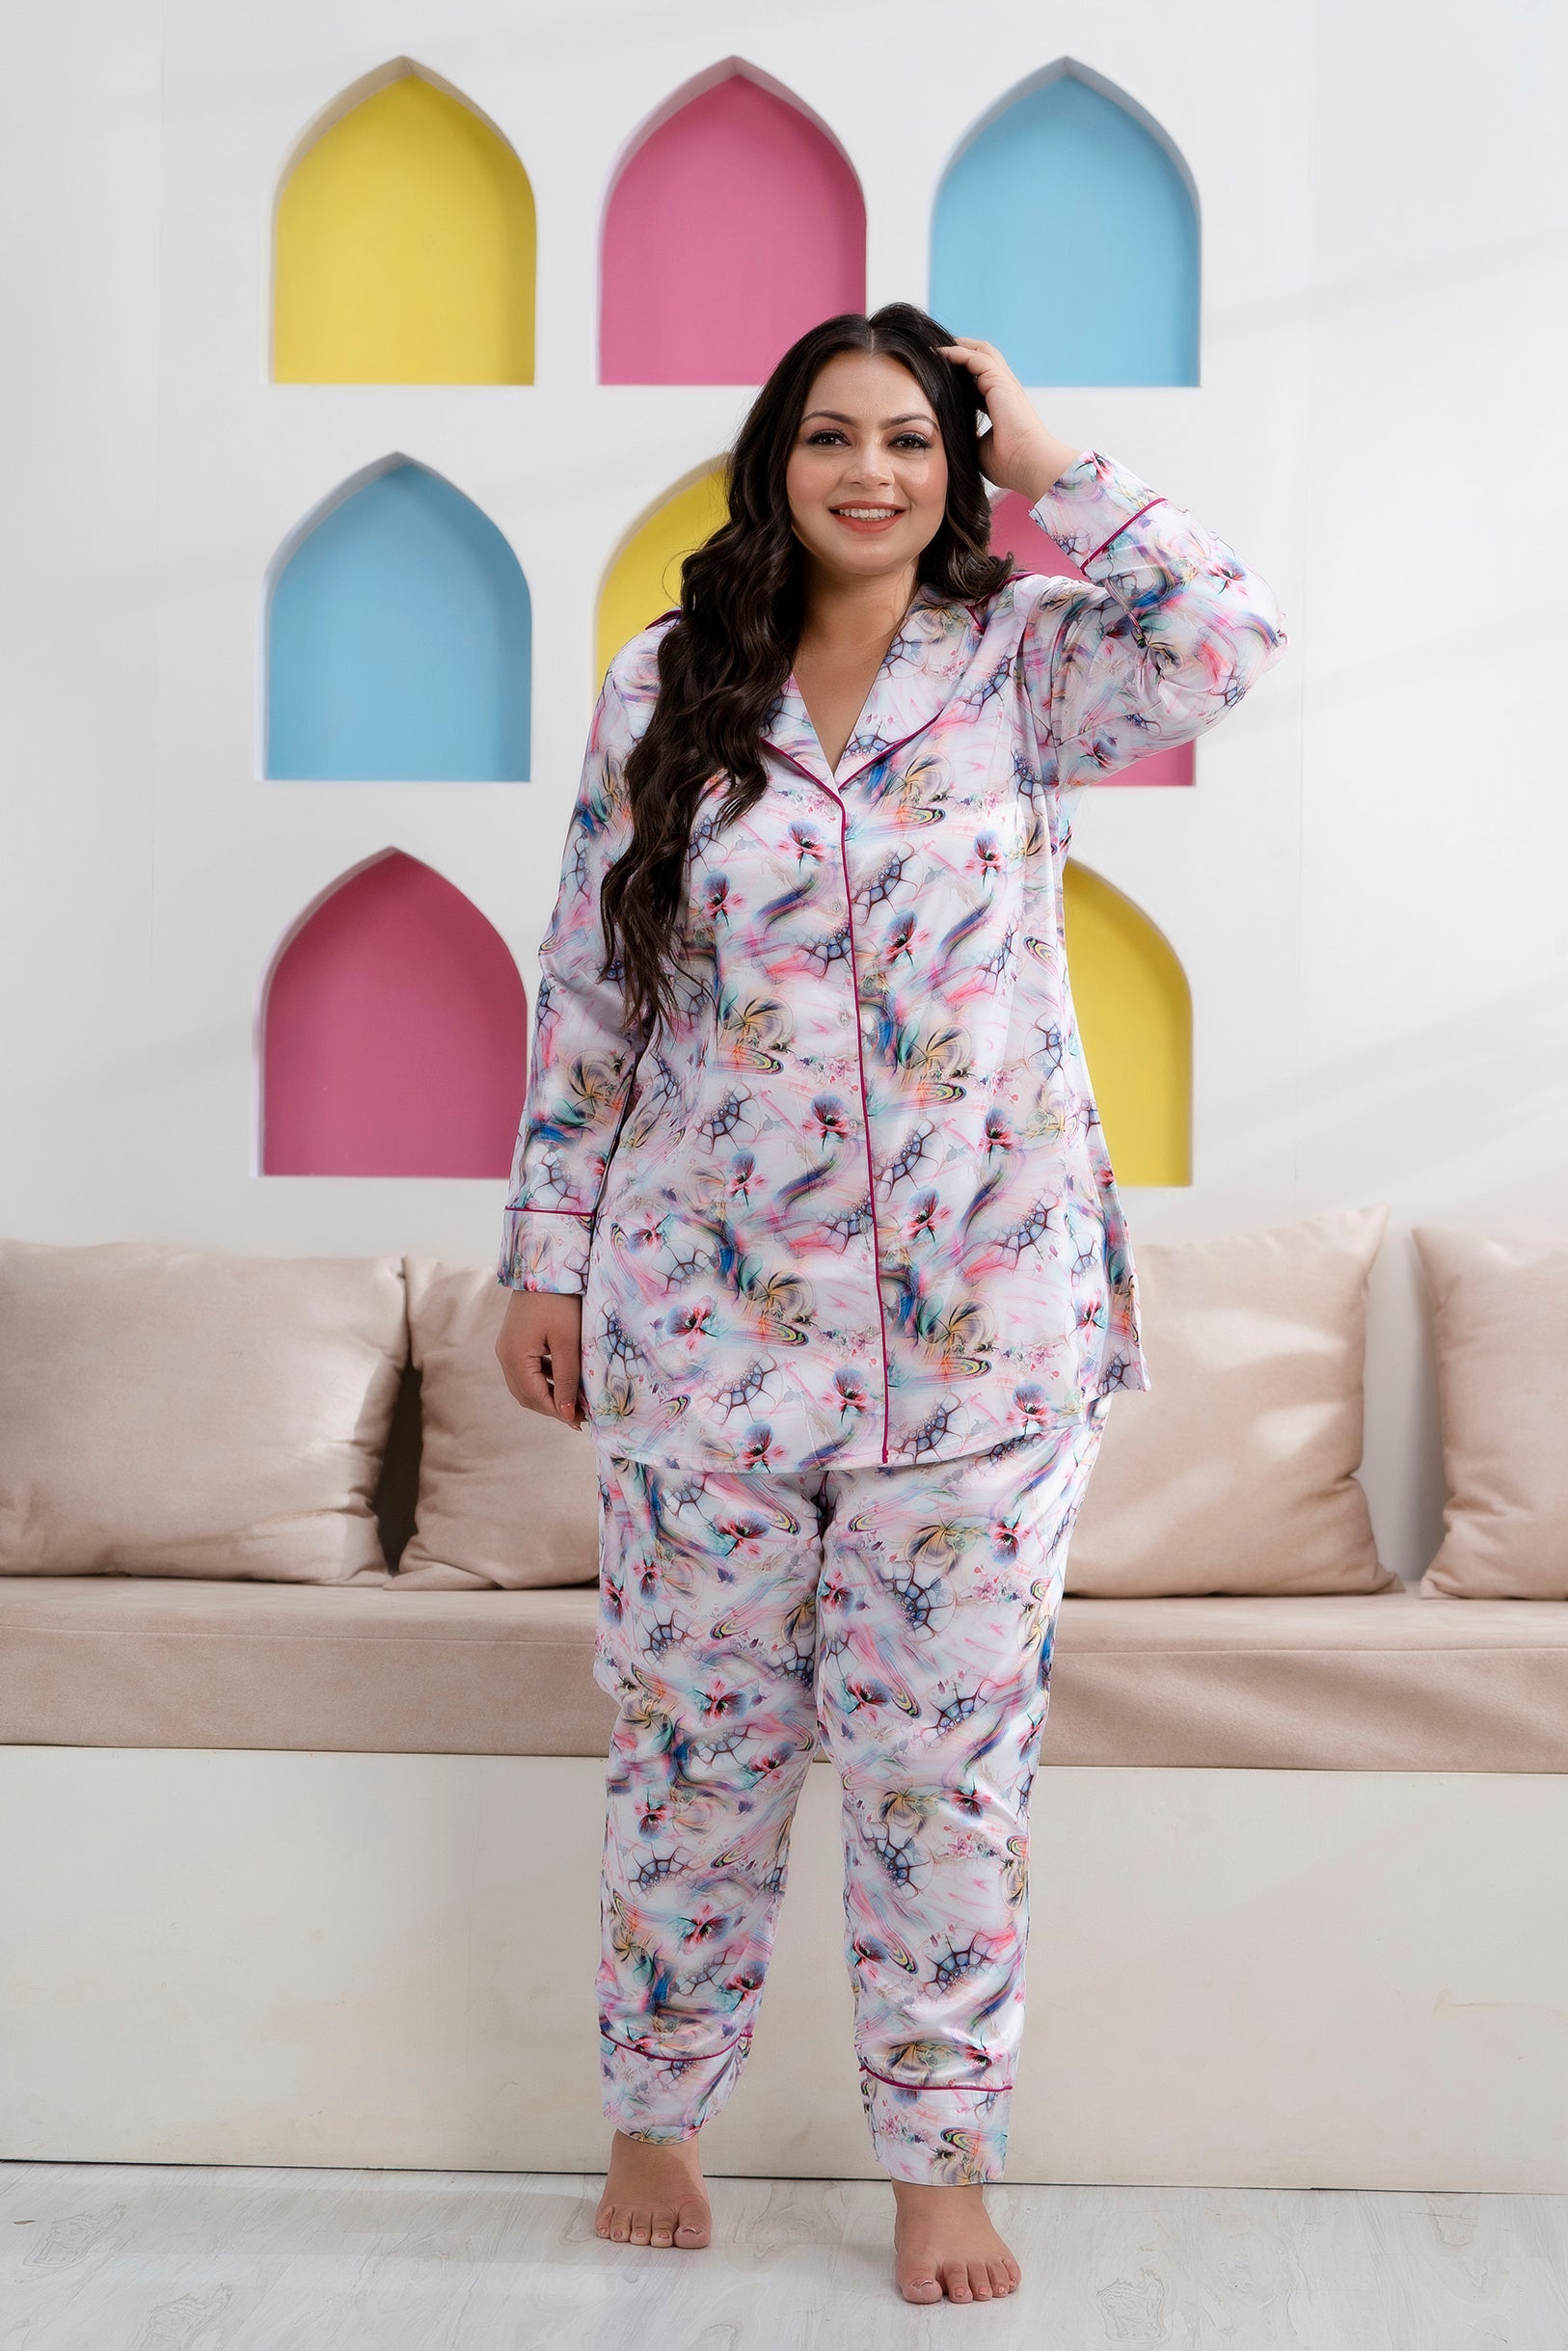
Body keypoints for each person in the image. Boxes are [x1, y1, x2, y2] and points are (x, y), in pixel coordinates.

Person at [495, 303, 1287, 2306]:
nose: (872, 470)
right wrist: (546, 1253)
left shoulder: (1025, 660)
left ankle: (941, 2158)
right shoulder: (666, 681)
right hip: (700, 1325)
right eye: (833, 434)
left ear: (959, 467)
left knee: (943, 1770)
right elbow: (591, 983)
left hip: (985, 1338)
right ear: (776, 459)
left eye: (914, 439)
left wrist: (1052, 457)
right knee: (696, 1749)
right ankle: (653, 2117)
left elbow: (1230, 635)